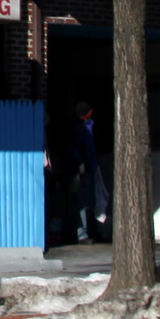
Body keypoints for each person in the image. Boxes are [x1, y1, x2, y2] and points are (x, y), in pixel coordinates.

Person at [66, 102, 105, 243]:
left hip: (87, 169)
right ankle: (81, 234)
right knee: (82, 203)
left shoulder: (85, 128)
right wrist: (80, 163)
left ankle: (87, 231)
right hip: (81, 171)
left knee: (88, 202)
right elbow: (72, 148)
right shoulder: (80, 129)